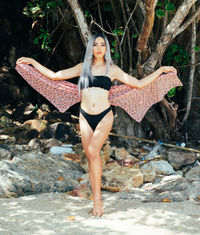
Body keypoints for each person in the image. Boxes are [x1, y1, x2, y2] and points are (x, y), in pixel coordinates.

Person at [16, 33, 177, 217]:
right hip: (84, 116)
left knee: (93, 151)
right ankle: (96, 199)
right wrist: (32, 62)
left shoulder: (112, 69)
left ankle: (98, 201)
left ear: (106, 48)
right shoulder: (82, 68)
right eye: (96, 45)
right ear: (91, 48)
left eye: (103, 45)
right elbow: (55, 76)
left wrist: (161, 70)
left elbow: (138, 84)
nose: (99, 48)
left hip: (104, 115)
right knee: (92, 157)